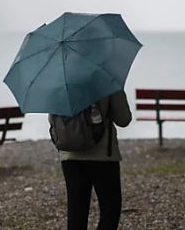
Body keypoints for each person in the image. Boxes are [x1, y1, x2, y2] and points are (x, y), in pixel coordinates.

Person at [51, 90, 132, 230]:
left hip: (70, 155)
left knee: (76, 211)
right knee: (110, 208)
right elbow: (123, 119)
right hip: (102, 156)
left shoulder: (61, 83)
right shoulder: (107, 80)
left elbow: (53, 120)